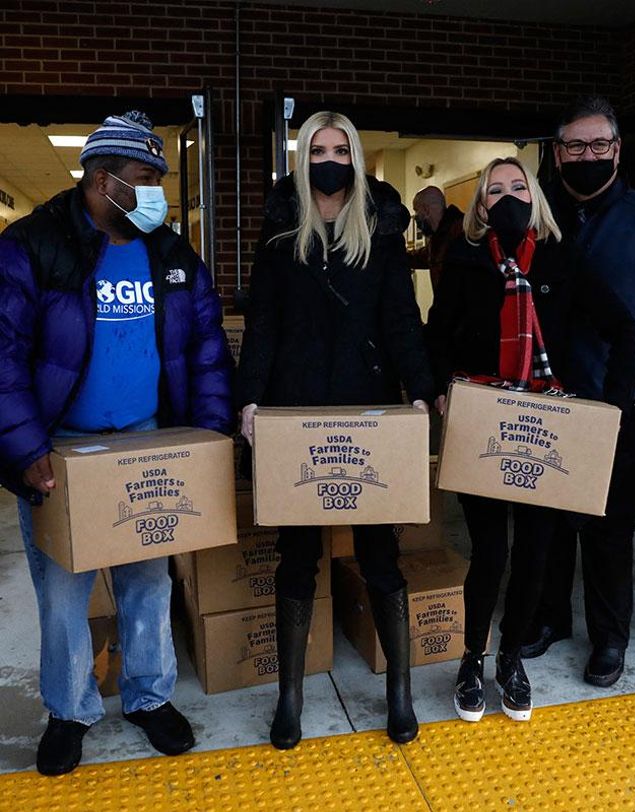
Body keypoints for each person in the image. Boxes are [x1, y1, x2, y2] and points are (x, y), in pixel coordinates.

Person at [0, 111, 235, 775]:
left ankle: (148, 698)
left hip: (146, 443)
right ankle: (70, 709)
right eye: (144, 178)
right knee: (63, 594)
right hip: (62, 451)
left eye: (159, 178)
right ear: (101, 181)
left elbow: (206, 346)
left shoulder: (169, 252)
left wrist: (210, 437)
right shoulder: (34, 245)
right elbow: (4, 355)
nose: (156, 191)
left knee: (147, 582)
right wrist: (22, 449)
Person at [237, 111, 434, 750]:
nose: (328, 158)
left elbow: (402, 319)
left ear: (354, 155)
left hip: (367, 408)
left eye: (339, 147)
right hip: (295, 410)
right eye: (316, 148)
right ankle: (290, 697)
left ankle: (399, 693)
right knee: (297, 555)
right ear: (302, 158)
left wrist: (423, 389)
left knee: (380, 554)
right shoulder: (278, 228)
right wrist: (250, 401)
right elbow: (261, 321)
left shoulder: (376, 227)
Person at [521, 96, 635, 688]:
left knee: (608, 531)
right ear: (557, 153)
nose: (586, 156)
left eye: (597, 145)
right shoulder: (536, 217)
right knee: (546, 522)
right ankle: (550, 619)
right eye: (574, 147)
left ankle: (609, 640)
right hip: (546, 401)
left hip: (619, 403)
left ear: (617, 149)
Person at [426, 157, 571, 723]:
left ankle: (511, 656)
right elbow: (437, 333)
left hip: (547, 423)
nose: (507, 197)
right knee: (490, 551)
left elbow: (606, 325)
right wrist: (440, 390)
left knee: (535, 550)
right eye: (495, 191)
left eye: (518, 187)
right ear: (482, 207)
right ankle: (471, 657)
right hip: (484, 418)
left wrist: (603, 397)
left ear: (534, 195)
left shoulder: (560, 257)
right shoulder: (464, 260)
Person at [408, 186, 463, 289]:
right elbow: (422, 256)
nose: (416, 216)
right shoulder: (438, 237)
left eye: (416, 210)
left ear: (426, 210)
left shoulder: (459, 233)